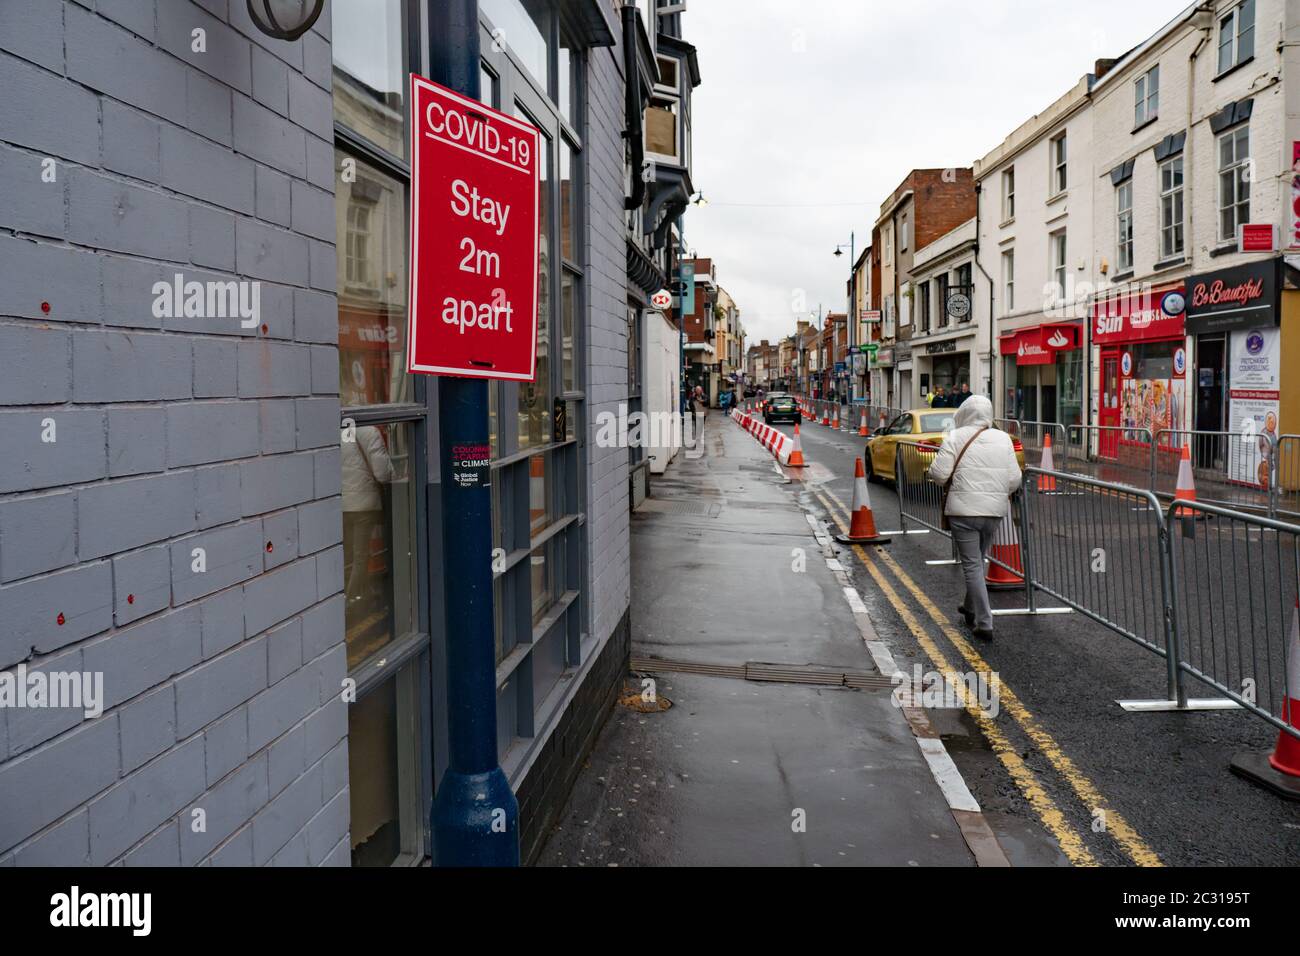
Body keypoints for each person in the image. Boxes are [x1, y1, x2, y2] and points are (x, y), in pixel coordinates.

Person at [927, 395, 1022, 642]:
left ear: (964, 413)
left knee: (972, 565)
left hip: (963, 512)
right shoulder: (1003, 438)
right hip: (993, 512)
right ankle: (969, 607)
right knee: (977, 561)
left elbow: (939, 474)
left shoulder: (955, 436)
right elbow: (1014, 480)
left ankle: (984, 622)